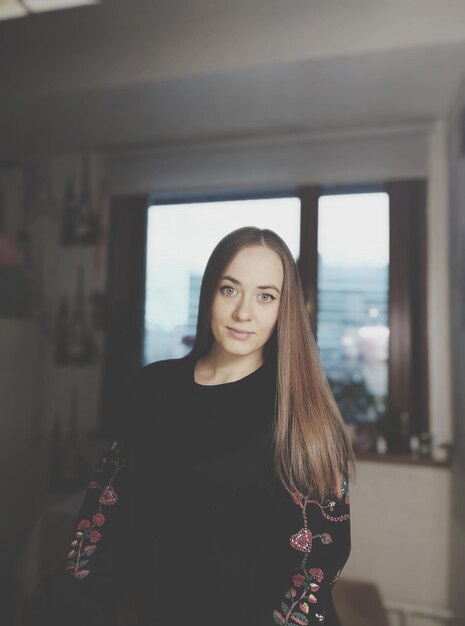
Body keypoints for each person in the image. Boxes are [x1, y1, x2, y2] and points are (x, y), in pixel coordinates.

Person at [29, 226, 356, 626]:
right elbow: (103, 523)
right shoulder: (151, 388)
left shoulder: (301, 413)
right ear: (209, 293)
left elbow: (308, 571)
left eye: (265, 296)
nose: (243, 313)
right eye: (230, 289)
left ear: (284, 309)